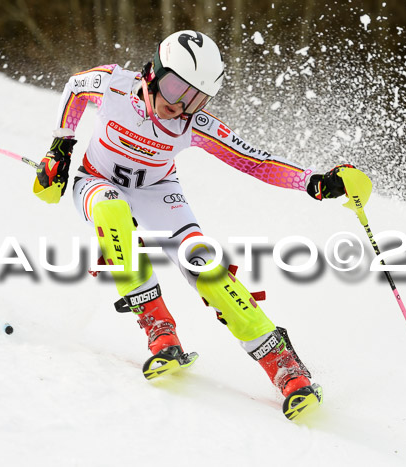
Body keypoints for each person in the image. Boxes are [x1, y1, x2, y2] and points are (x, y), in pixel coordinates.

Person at [34, 30, 353, 420]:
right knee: (111, 210)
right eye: (173, 88)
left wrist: (312, 182)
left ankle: (284, 365)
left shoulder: (193, 124)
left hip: (157, 190)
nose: (180, 105)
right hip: (96, 179)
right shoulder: (114, 85)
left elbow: (255, 161)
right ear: (153, 71)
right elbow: (76, 89)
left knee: (207, 269)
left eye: (195, 98)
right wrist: (61, 144)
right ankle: (159, 328)